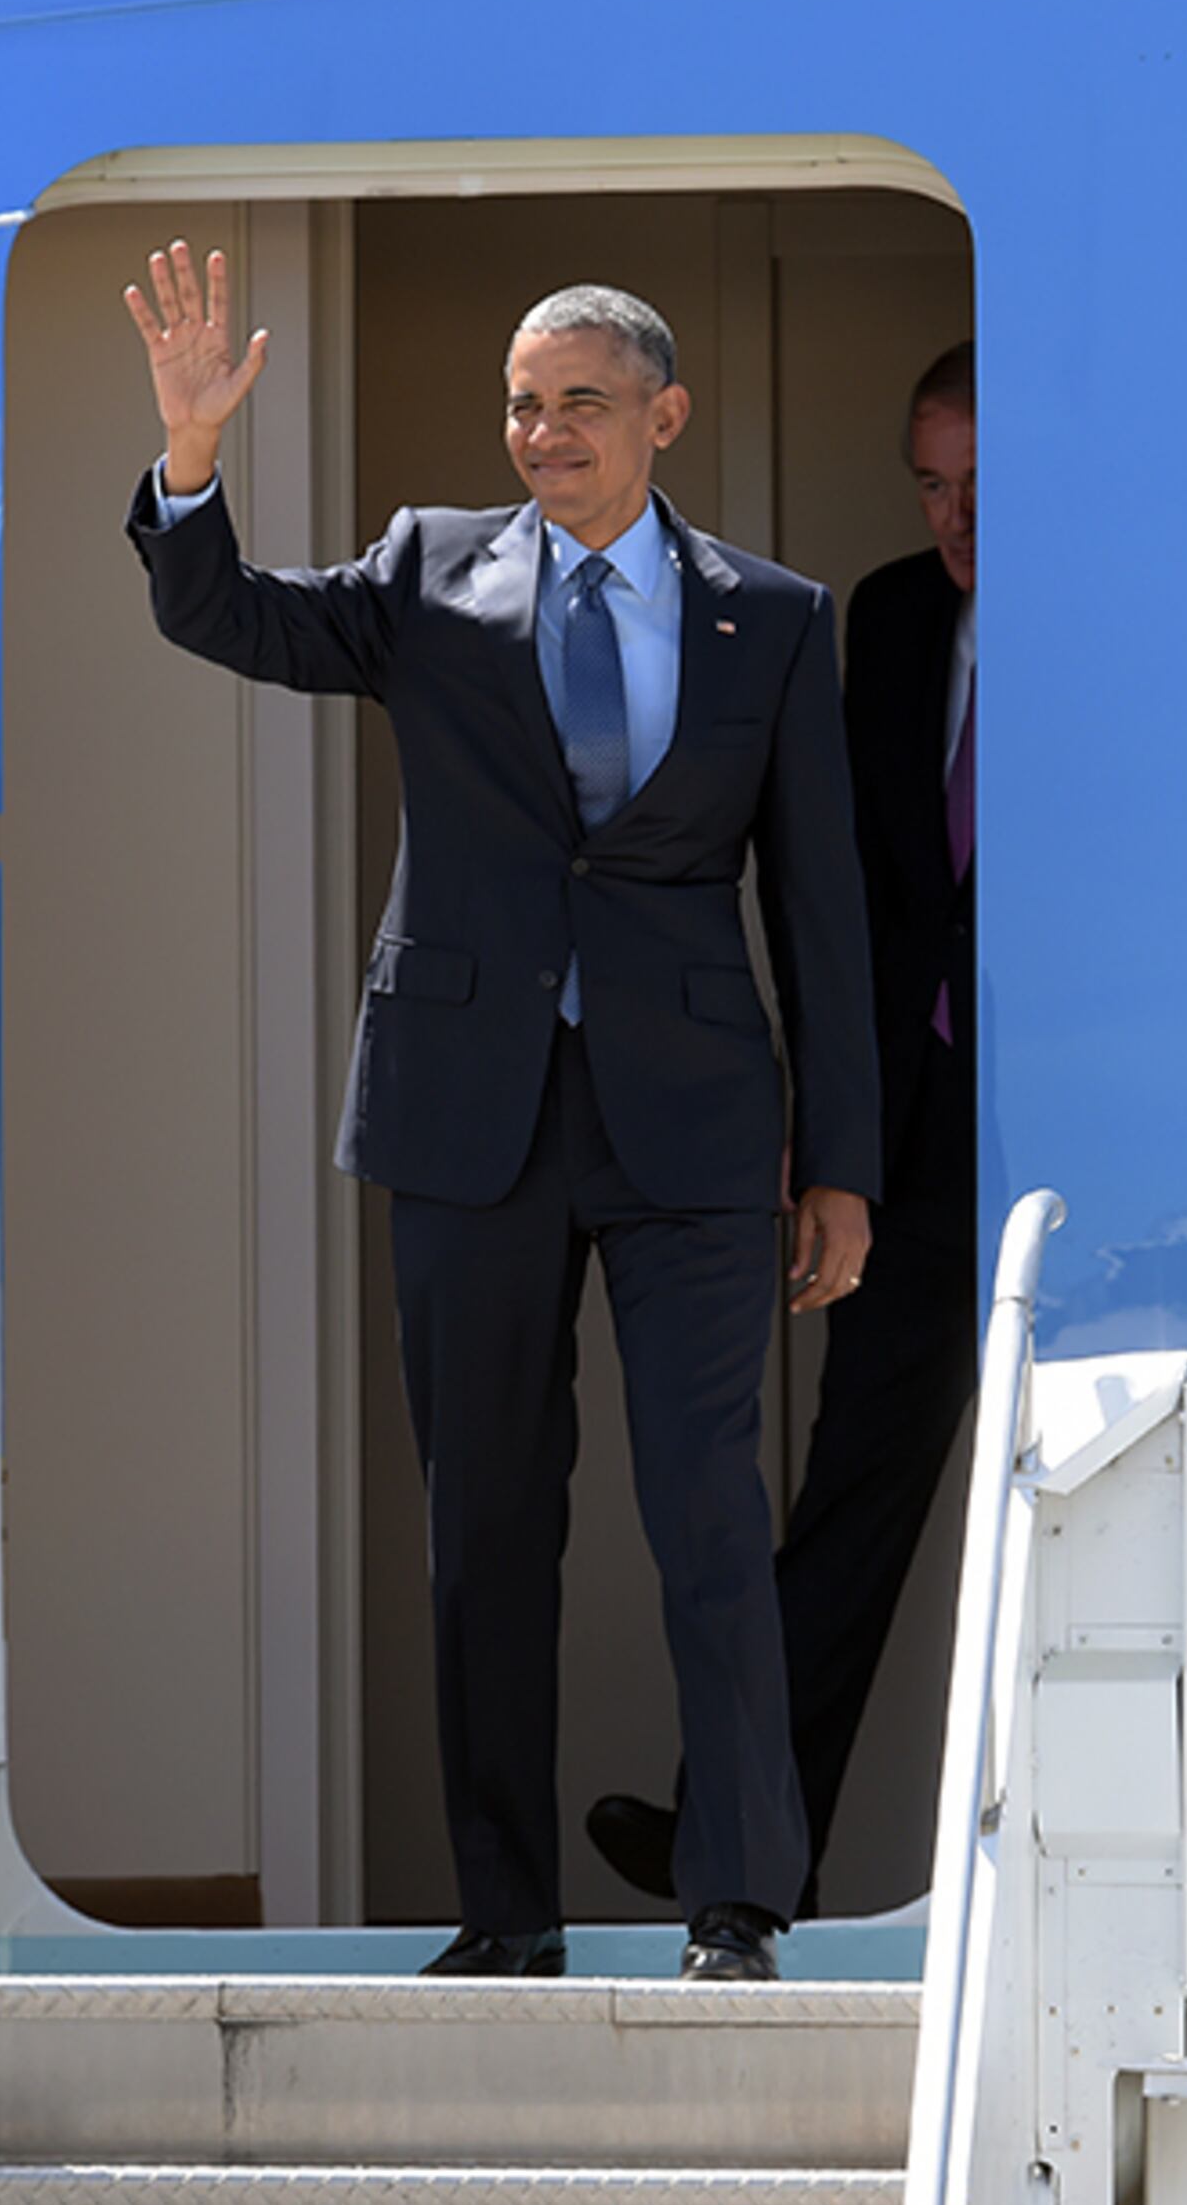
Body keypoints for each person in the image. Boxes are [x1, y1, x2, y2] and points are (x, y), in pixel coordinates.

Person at [119, 245, 881, 1983]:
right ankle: (508, 1909)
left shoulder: (776, 615)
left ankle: (737, 1901)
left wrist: (842, 1165)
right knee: (487, 1523)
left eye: (582, 406)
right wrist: (187, 461)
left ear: (665, 419)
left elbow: (822, 909)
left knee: (708, 1510)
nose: (544, 435)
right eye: (525, 406)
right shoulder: (425, 569)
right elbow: (229, 618)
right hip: (472, 1116)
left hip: (692, 1127)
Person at [589, 342, 977, 1921]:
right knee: (853, 1494)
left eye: (983, 490)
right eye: (933, 486)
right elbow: (847, 911)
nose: (955, 523)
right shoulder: (884, 619)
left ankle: (729, 1838)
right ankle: (746, 1852)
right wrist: (837, 1150)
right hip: (913, 1128)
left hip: (1093, 1131)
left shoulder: (1107, 617)